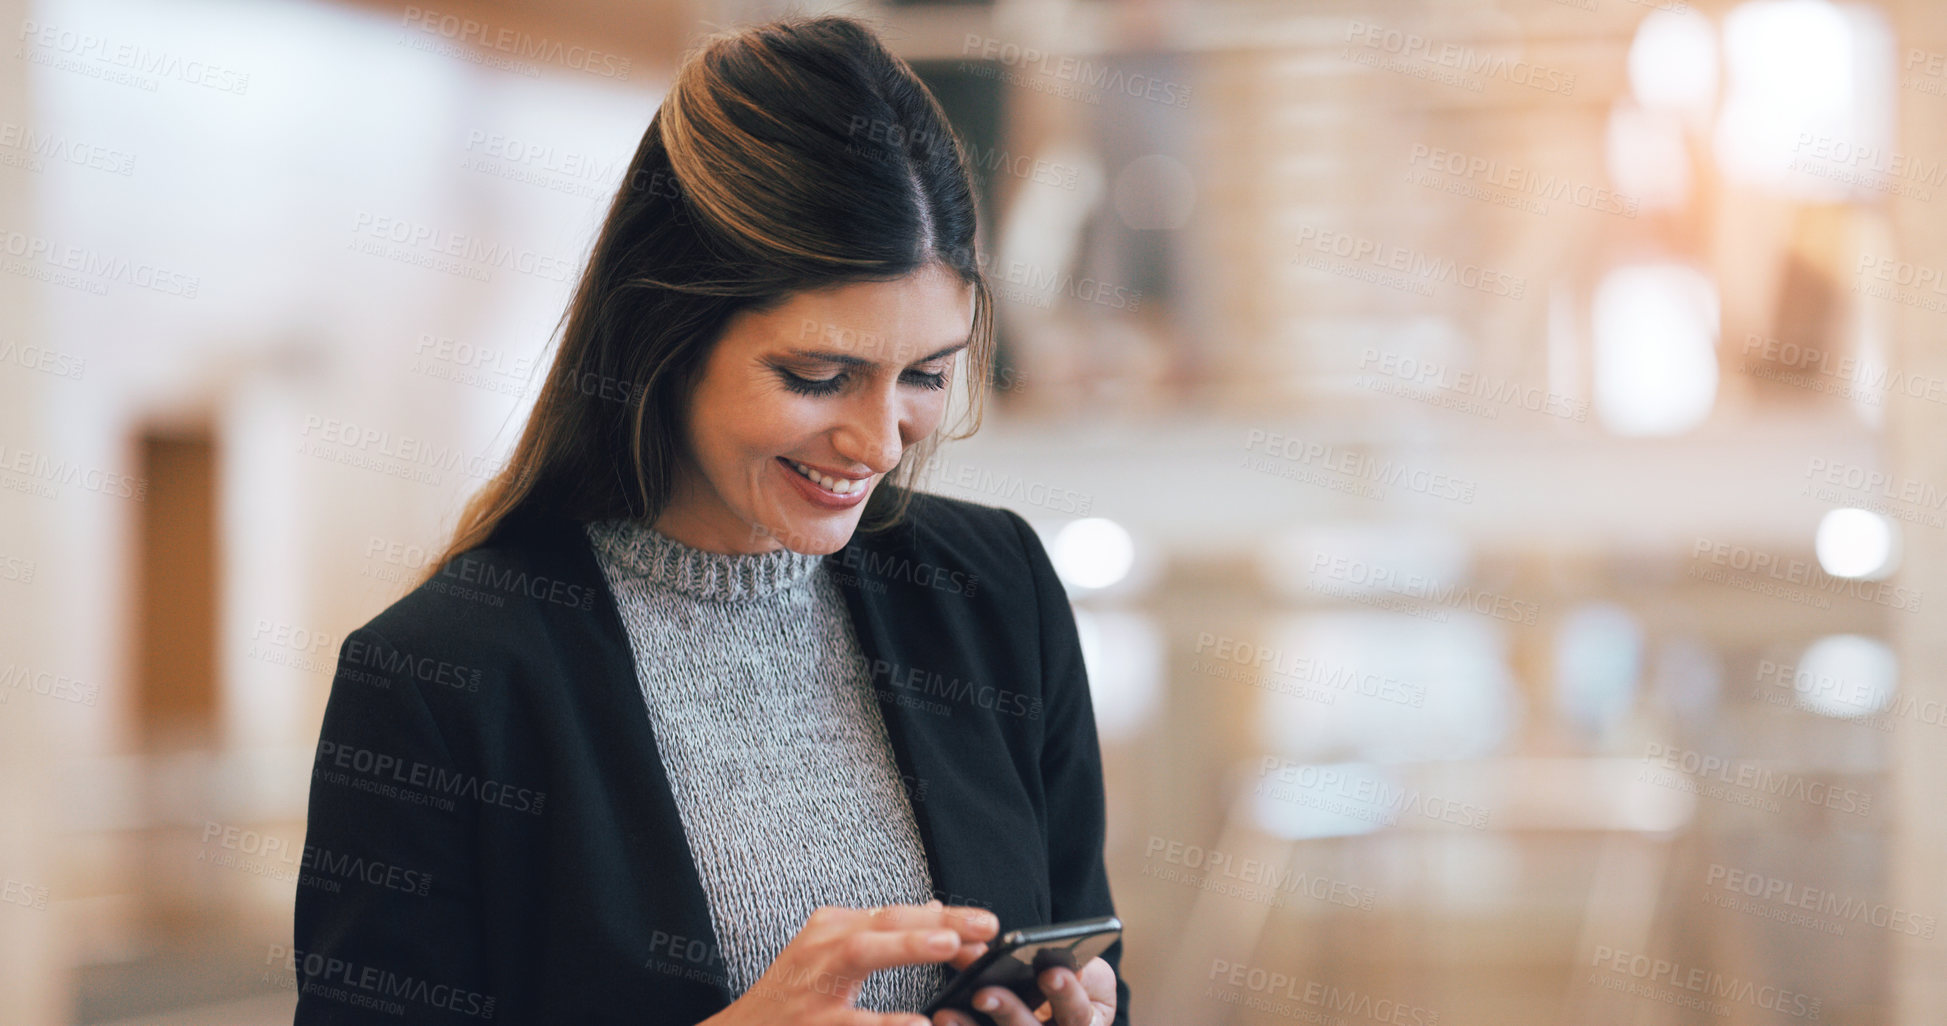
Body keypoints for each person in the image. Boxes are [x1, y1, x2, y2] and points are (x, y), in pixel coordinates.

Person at [292, 15, 1127, 1026]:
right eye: (819, 377)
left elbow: (1091, 957)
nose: (878, 442)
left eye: (926, 374)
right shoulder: (440, 680)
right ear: (666, 335)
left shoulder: (995, 587)